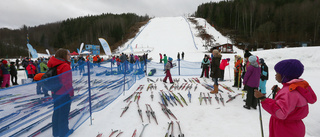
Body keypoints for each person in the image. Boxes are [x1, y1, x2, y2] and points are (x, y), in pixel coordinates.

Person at [254, 59, 317, 137]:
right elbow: (291, 102)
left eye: (277, 73)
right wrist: (280, 91)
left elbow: (281, 112)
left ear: (285, 75)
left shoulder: (289, 92)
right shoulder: (296, 87)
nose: (275, 75)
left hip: (284, 130)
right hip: (293, 127)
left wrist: (263, 99)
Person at [47, 48, 74, 137]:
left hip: (55, 92)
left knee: (57, 112)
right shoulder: (64, 66)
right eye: (68, 54)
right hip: (64, 93)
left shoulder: (53, 64)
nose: (70, 56)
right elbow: (67, 82)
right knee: (64, 113)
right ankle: (64, 132)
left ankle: (56, 133)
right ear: (64, 55)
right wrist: (71, 93)